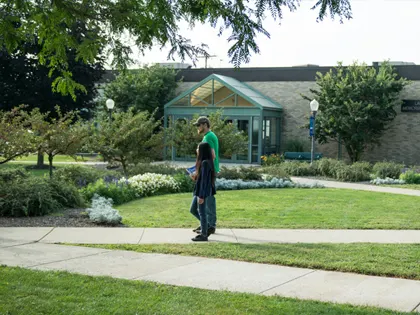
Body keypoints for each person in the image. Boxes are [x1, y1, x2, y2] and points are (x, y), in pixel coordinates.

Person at [193, 116, 219, 235]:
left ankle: (210, 225)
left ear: (204, 124)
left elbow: (211, 155)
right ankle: (206, 224)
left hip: (207, 171)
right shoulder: (209, 136)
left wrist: (204, 171)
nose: (198, 127)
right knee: (207, 200)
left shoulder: (208, 137)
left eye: (199, 125)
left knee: (208, 200)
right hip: (208, 170)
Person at [189, 142, 216, 242]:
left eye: (198, 148)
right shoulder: (205, 162)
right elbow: (202, 179)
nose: (196, 149)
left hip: (202, 192)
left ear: (202, 151)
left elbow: (205, 182)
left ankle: (204, 234)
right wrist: (194, 176)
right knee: (193, 210)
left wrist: (201, 196)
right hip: (199, 191)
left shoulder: (205, 163)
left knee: (202, 212)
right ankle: (207, 226)